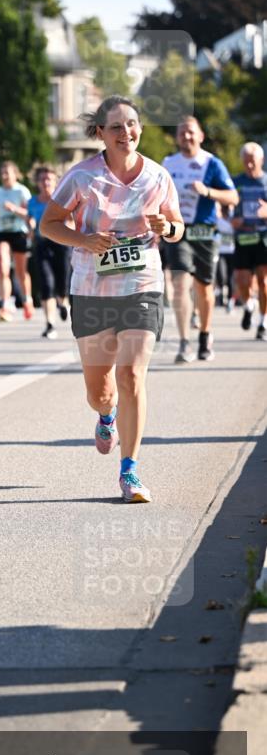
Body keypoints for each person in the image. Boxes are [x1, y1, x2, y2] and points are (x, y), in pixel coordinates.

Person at [41, 95, 183, 503]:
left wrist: (168, 228)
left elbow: (177, 226)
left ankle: (130, 472)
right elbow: (49, 223)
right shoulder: (82, 177)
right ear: (100, 133)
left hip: (142, 285)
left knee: (132, 375)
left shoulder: (157, 176)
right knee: (101, 390)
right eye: (117, 127)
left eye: (133, 124)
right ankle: (106, 416)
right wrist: (83, 239)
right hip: (91, 290)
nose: (127, 133)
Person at [162, 116, 238, 363]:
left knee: (204, 288)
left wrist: (208, 192)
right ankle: (184, 342)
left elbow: (233, 198)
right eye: (182, 132)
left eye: (191, 132)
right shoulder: (168, 163)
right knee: (180, 282)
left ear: (201, 136)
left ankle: (205, 335)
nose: (186, 136)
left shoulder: (212, 163)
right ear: (176, 137)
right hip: (178, 230)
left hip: (205, 232)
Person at [27, 165, 70, 338]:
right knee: (46, 283)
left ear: (56, 181)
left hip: (62, 243)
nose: (46, 182)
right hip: (41, 243)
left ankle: (62, 303)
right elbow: (29, 219)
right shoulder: (32, 201)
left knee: (62, 283)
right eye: (42, 179)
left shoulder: (62, 199)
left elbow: (72, 220)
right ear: (37, 183)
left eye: (49, 179)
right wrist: (30, 227)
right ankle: (50, 324)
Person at [0, 161, 34, 322]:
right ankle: (6, 305)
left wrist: (14, 209)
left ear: (16, 174)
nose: (4, 176)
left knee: (21, 272)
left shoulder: (22, 191)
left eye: (7, 172)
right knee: (2, 268)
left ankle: (27, 300)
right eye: (2, 173)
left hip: (19, 232)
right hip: (2, 232)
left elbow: (30, 214)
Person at [231, 142, 267, 341]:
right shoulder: (236, 182)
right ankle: (248, 305)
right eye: (246, 162)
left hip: (263, 238)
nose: (250, 166)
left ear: (261, 160)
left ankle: (263, 322)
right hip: (243, 238)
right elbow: (226, 206)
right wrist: (231, 218)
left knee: (264, 281)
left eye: (253, 161)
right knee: (242, 281)